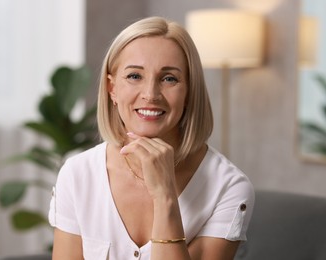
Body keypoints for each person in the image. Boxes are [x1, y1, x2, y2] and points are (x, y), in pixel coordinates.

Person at [48, 16, 254, 260]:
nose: (150, 94)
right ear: (112, 89)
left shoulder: (228, 188)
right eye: (134, 76)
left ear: (189, 92)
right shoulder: (77, 174)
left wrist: (165, 194)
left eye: (169, 78)